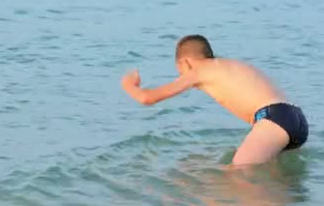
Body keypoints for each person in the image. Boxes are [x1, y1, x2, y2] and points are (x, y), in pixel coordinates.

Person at [120, 34, 308, 166]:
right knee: (274, 183)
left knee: (239, 174)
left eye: (180, 72)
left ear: (186, 62)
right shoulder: (230, 65)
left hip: (272, 120)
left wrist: (128, 84)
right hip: (293, 117)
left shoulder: (199, 70)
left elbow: (147, 98)